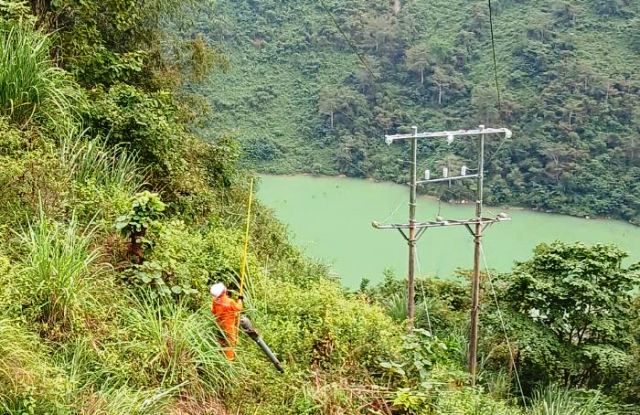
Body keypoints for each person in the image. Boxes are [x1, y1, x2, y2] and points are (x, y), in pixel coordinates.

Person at [210, 282, 243, 360]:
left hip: (219, 325)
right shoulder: (229, 301)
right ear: (223, 292)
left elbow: (213, 311)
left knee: (221, 340)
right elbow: (238, 308)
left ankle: (220, 357)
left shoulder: (215, 301)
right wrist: (240, 300)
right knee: (230, 342)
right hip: (229, 326)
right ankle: (229, 360)